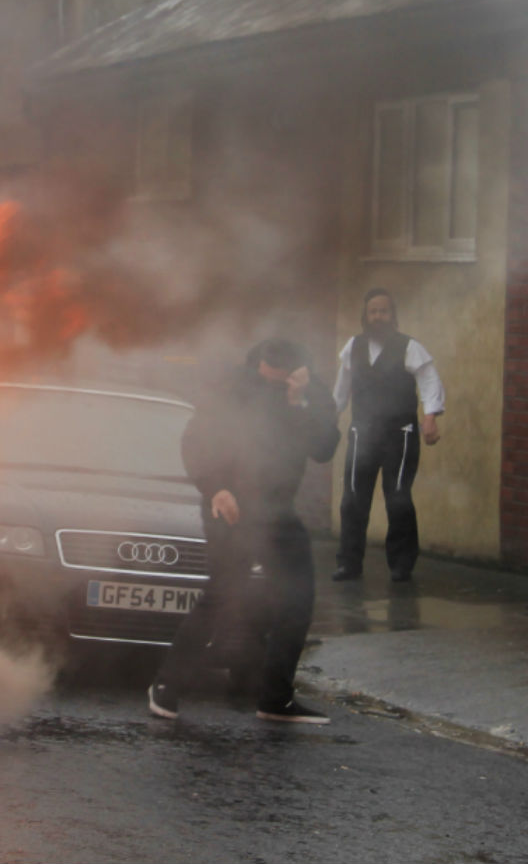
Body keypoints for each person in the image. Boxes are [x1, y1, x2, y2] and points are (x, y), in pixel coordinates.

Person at [148, 338, 340, 724]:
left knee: (297, 600)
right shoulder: (231, 387)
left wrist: (299, 400)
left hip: (278, 512)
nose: (276, 376)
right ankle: (166, 686)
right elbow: (197, 440)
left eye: (285, 370)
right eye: (271, 368)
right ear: (259, 362)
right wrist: (217, 487)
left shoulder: (307, 391)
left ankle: (275, 699)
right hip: (230, 504)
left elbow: (323, 448)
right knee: (223, 593)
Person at [331, 288, 445, 583]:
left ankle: (402, 564)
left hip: (401, 435)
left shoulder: (409, 347)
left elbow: (429, 381)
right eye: (373, 311)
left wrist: (430, 416)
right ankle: (349, 564)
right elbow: (341, 390)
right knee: (352, 499)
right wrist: (331, 416)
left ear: (392, 316)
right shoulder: (353, 347)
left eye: (384, 311)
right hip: (362, 433)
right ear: (365, 316)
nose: (378, 316)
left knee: (398, 498)